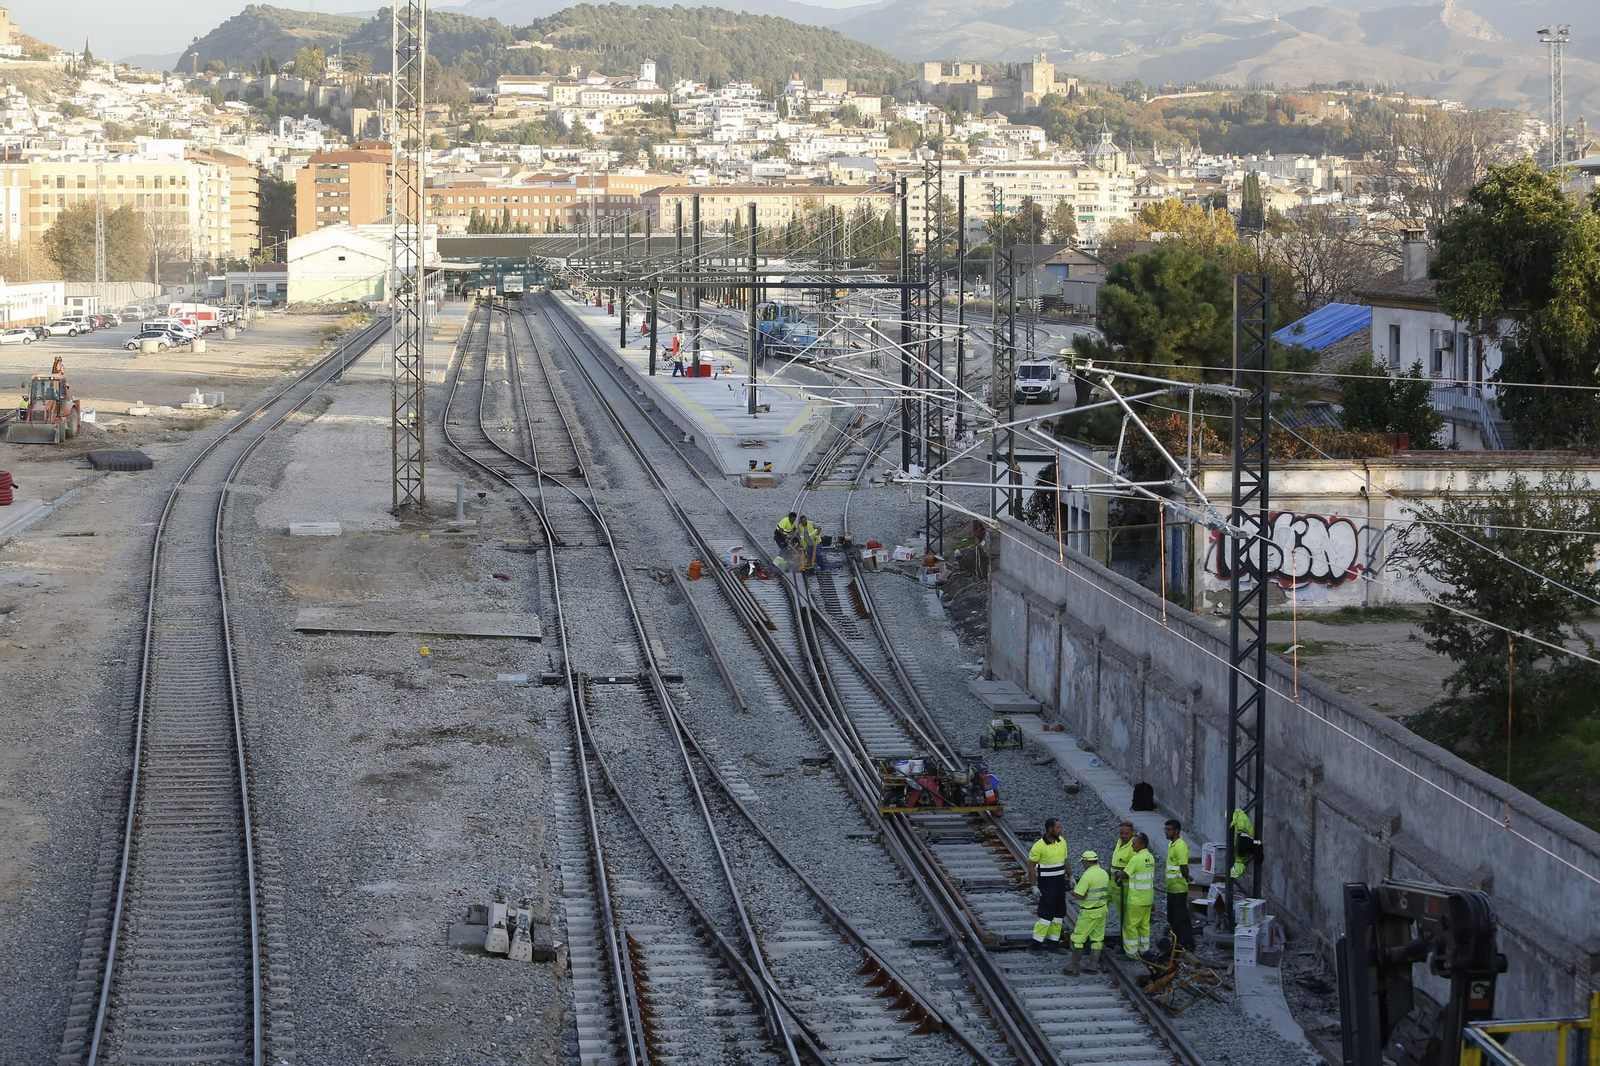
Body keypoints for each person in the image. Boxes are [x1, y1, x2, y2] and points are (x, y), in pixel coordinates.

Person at [1026, 818, 1070, 952]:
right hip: (1047, 885)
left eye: (1060, 827)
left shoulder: (1062, 841)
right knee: (1045, 915)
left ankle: (1053, 943)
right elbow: (1031, 866)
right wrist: (1033, 885)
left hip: (1060, 883)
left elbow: (1065, 860)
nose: (1060, 830)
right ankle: (1035, 945)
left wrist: (1071, 876)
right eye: (1058, 827)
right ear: (1050, 829)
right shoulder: (1039, 846)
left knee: (1058, 915)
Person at [1067, 850, 1110, 975]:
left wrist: (1073, 893)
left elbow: (1080, 895)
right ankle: (1093, 964)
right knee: (1097, 938)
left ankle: (1074, 966)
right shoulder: (1104, 873)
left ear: (1086, 861)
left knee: (1077, 939)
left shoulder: (1087, 876)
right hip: (1102, 910)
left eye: (1083, 863)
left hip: (1089, 912)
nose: (1083, 865)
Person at [1164, 819, 1196, 952]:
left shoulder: (1180, 846)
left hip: (1178, 888)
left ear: (1176, 831)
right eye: (1165, 829)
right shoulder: (1172, 844)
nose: (1166, 832)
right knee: (1172, 916)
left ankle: (1188, 943)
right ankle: (1177, 941)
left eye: (1168, 830)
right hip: (1172, 888)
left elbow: (1184, 867)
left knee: (1181, 917)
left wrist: (1186, 878)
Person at [1123, 832, 1156, 958]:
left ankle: (1131, 953)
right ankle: (1144, 950)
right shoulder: (1150, 857)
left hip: (1136, 900)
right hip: (1147, 899)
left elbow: (1124, 874)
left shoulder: (1136, 859)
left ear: (1142, 844)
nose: (1132, 846)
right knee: (1144, 925)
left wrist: (1117, 875)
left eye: (1134, 844)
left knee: (1130, 926)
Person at [1108, 821, 1135, 942]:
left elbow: (1133, 867)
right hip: (1112, 884)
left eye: (1126, 833)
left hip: (1123, 887)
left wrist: (1121, 875)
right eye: (1121, 833)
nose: (1123, 836)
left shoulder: (1133, 847)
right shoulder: (1120, 842)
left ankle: (1127, 943)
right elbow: (1114, 861)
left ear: (1132, 833)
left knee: (1124, 916)